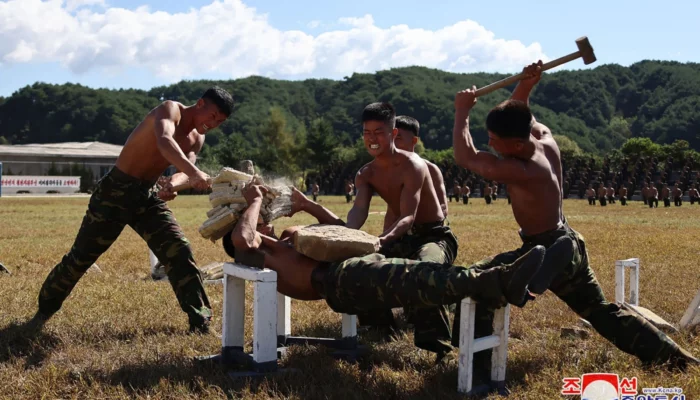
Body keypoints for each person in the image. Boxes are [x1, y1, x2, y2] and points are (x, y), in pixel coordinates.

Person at [451, 61, 698, 383]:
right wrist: (526, 84)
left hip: (545, 248)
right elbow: (522, 112)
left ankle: (479, 370)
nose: (491, 144)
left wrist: (461, 112)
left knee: (479, 281)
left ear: (513, 144)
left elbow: (465, 156)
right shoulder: (544, 139)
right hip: (567, 243)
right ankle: (674, 358)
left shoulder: (521, 170)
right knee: (599, 312)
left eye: (494, 139)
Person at [31, 87, 234, 334]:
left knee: (179, 251)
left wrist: (173, 183)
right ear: (200, 104)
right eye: (212, 116)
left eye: (219, 122)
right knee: (80, 258)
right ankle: (43, 312)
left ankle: (200, 322)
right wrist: (193, 174)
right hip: (114, 191)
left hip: (145, 196)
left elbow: (185, 169)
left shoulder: (197, 138)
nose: (212, 124)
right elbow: (165, 141)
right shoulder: (170, 110)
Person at [221, 183, 550, 331]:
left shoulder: (286, 237)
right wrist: (251, 201)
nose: (263, 214)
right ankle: (498, 281)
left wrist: (309, 205)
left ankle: (509, 266)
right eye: (257, 215)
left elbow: (340, 233)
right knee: (415, 278)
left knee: (421, 273)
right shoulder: (251, 250)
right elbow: (242, 237)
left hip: (349, 266)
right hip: (337, 282)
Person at [320, 102, 458, 359]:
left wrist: (382, 240)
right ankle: (380, 326)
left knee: (425, 270)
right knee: (357, 267)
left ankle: (440, 346)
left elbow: (408, 216)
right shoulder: (366, 173)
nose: (372, 139)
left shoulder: (413, 165)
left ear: (393, 133)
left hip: (432, 236)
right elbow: (358, 210)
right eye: (367, 133)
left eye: (378, 132)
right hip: (400, 237)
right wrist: (347, 237)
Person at [388, 115, 449, 222]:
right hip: (398, 232)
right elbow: (391, 214)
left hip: (425, 231)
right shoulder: (390, 170)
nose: (393, 144)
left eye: (398, 138)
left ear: (414, 140)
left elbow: (442, 207)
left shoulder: (430, 169)